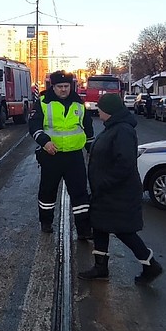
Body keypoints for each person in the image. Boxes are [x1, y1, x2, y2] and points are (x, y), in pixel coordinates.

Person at [79, 93, 163, 284]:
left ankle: (151, 265)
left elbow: (124, 164)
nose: (98, 110)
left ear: (108, 110)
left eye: (100, 107)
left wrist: (104, 183)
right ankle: (100, 267)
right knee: (99, 226)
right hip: (106, 191)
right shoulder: (113, 127)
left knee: (123, 230)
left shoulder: (123, 130)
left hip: (118, 191)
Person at [29, 70, 93, 240]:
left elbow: (88, 128)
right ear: (53, 87)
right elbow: (34, 125)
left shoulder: (79, 103)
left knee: (80, 193)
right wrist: (45, 142)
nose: (64, 90)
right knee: (48, 191)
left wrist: (91, 149)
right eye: (60, 87)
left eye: (67, 86)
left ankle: (84, 229)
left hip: (74, 157)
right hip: (52, 155)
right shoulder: (43, 102)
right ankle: (46, 222)